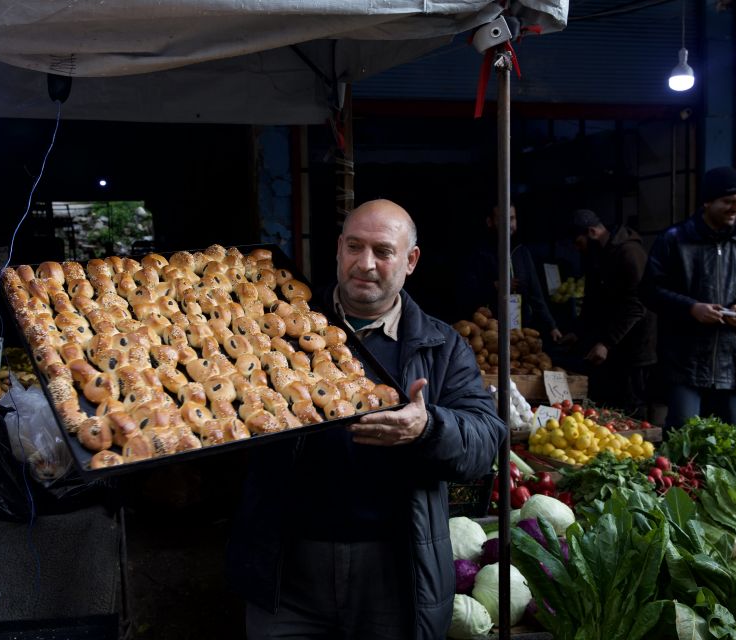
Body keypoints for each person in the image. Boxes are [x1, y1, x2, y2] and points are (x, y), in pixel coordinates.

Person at [227, 199, 507, 639]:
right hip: (287, 566)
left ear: (410, 260)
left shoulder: (442, 346)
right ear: (338, 249)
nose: (365, 263)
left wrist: (428, 427)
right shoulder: (272, 329)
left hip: (394, 570)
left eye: (383, 250)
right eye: (354, 247)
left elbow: (487, 439)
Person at [644, 166, 736, 430]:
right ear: (707, 201)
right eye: (728, 201)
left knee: (728, 442)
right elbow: (649, 290)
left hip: (732, 360)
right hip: (685, 360)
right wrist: (691, 308)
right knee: (683, 436)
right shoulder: (674, 240)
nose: (735, 208)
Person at [569, 209, 657, 418]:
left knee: (631, 410)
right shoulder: (598, 254)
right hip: (614, 348)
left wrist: (606, 343)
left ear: (591, 232)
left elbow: (638, 303)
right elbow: (592, 300)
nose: (578, 250)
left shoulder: (629, 252)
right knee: (609, 409)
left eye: (579, 243)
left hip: (635, 348)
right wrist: (578, 332)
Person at [460, 204, 562, 341]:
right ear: (490, 222)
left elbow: (536, 294)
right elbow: (465, 294)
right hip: (489, 334)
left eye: (512, 218)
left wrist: (551, 326)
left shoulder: (522, 252)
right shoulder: (479, 254)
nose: (509, 224)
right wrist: (495, 287)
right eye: (502, 219)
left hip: (521, 332)